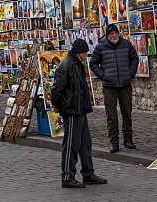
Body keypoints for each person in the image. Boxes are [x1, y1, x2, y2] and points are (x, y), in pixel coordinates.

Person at [50, 38, 107, 189]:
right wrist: (58, 105)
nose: (86, 56)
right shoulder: (66, 65)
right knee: (71, 144)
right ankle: (67, 176)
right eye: (85, 53)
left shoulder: (76, 64)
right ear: (79, 53)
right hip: (71, 109)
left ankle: (88, 173)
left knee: (85, 143)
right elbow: (57, 89)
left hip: (80, 108)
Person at [90, 22, 139, 152]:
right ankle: (114, 142)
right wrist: (103, 75)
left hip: (125, 84)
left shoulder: (126, 44)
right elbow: (93, 63)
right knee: (111, 116)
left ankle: (128, 139)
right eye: (111, 33)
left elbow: (134, 58)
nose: (114, 35)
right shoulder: (101, 47)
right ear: (107, 35)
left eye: (116, 33)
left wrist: (131, 73)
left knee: (127, 113)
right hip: (109, 86)